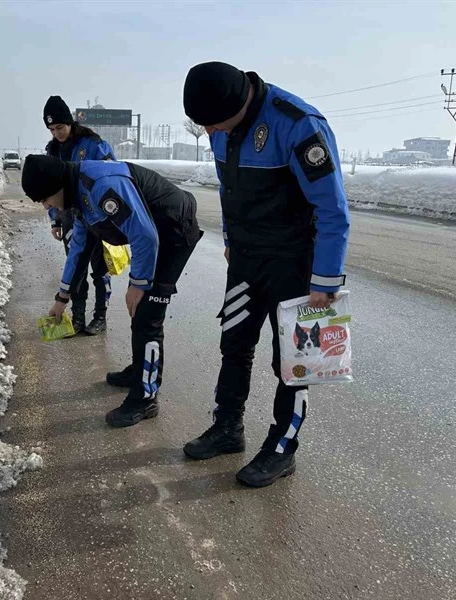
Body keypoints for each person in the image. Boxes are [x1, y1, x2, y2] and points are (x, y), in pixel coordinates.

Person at [182, 61, 350, 487]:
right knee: (234, 344)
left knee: (294, 363)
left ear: (237, 105)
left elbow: (332, 209)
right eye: (205, 126)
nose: (210, 133)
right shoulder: (220, 127)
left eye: (213, 124)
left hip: (295, 263)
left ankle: (282, 447)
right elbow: (228, 189)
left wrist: (326, 281)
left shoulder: (298, 124)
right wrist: (231, 239)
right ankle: (228, 426)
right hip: (246, 259)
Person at [21, 154, 202, 427]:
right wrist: (62, 297)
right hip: (152, 233)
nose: (47, 206)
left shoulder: (100, 185)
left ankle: (145, 397)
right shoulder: (78, 196)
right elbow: (78, 251)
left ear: (58, 185)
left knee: (147, 315)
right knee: (138, 311)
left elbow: (145, 236)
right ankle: (140, 370)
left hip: (173, 231)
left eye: (46, 198)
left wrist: (139, 283)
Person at [43, 95, 115, 336]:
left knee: (99, 269)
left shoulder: (93, 145)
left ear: (70, 122)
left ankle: (100, 316)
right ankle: (78, 317)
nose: (57, 133)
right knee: (76, 267)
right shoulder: (52, 151)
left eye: (60, 127)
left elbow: (113, 177)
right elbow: (50, 189)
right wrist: (55, 219)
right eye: (52, 129)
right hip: (70, 217)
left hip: (97, 217)